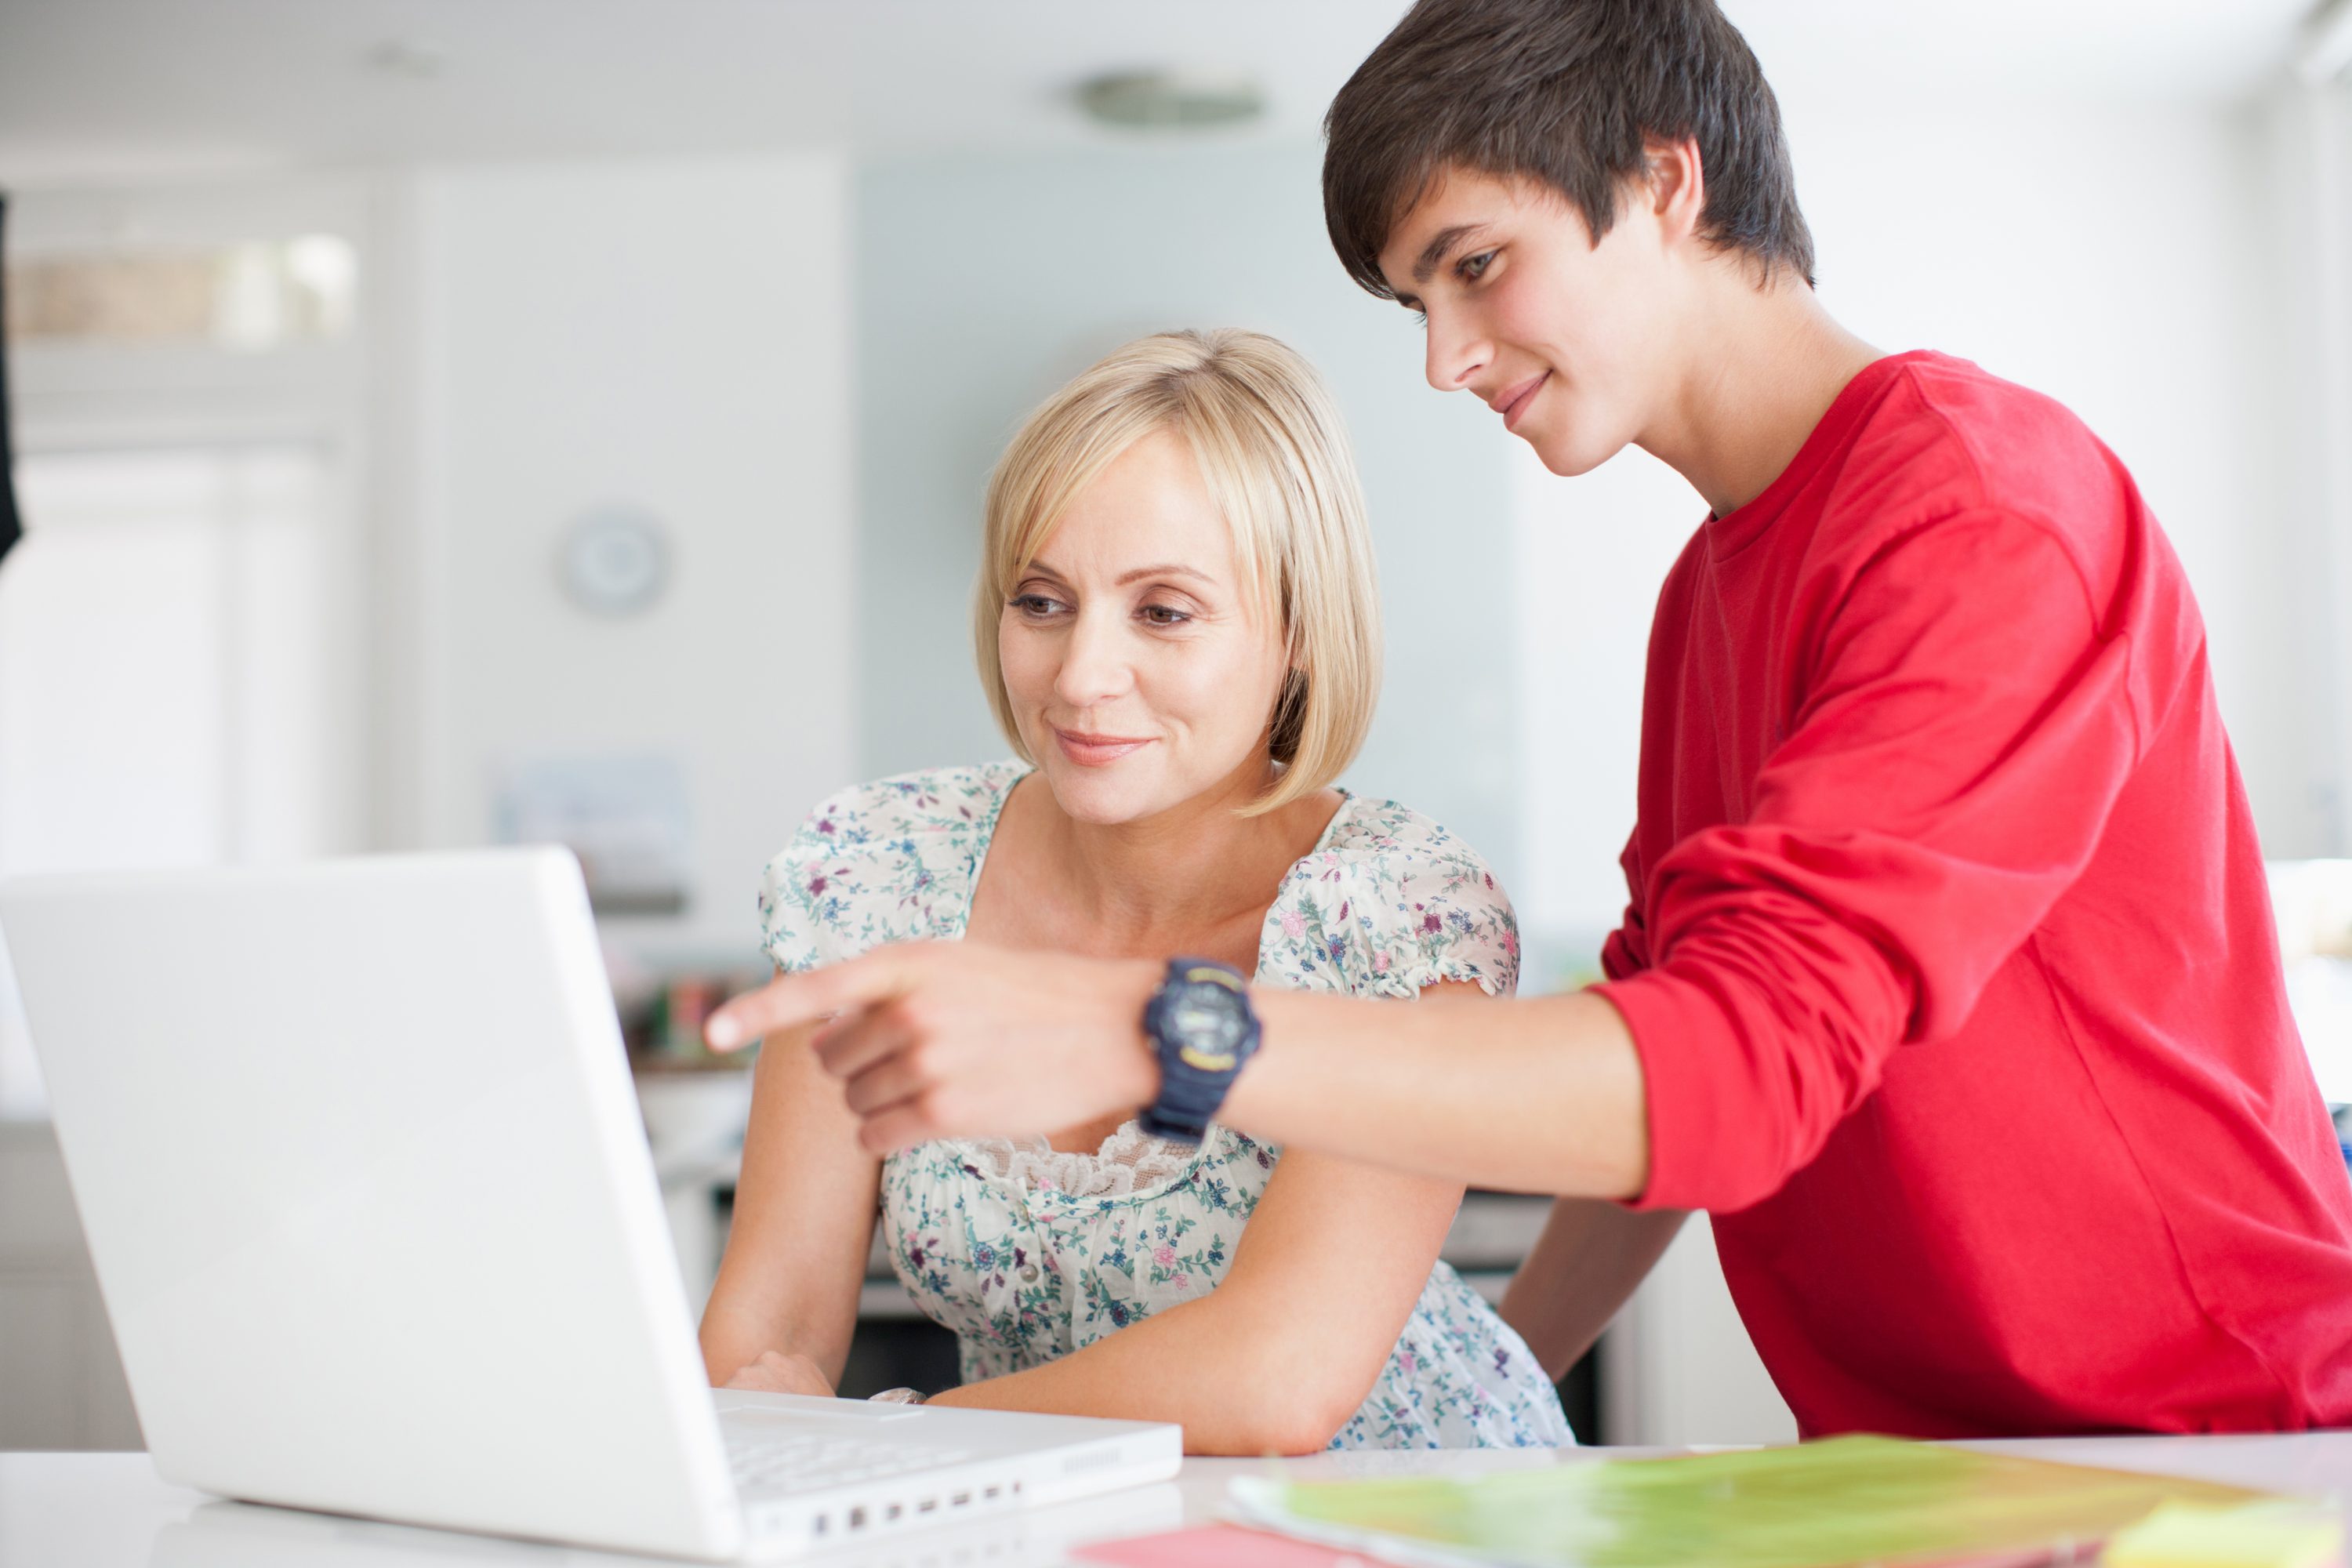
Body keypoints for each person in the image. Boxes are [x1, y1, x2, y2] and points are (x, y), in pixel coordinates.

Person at [706, 0, 2352, 1439]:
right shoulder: (1715, 590)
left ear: (1664, 176)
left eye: (1476, 269)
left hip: (2207, 1425)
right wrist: (1498, 1374)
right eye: (1414, 301)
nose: (1442, 360)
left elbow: (1743, 1074)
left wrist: (1157, 1035)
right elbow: (1667, 1017)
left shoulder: (1981, 515)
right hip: (1923, 1441)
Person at [697, 328, 1570, 1453]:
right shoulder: (875, 871)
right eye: (1043, 601)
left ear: (1300, 632)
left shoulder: (1401, 913)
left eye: (1164, 611)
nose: (1080, 676)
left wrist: (891, 1441)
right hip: (1051, 1524)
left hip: (1421, 1514)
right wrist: (773, 1439)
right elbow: (769, 1324)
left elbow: (1276, 1378)